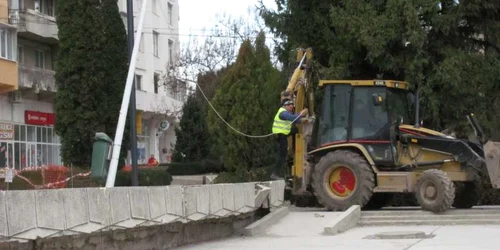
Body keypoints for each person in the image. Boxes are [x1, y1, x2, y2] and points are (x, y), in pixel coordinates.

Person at [271, 99, 308, 180]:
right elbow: (292, 118)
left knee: (295, 130)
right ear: (284, 106)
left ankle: (295, 149)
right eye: (289, 105)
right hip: (281, 135)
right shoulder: (283, 113)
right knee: (282, 155)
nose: (291, 106)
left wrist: (301, 118)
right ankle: (274, 173)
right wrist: (301, 114)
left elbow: (295, 119)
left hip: (284, 132)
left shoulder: (286, 112)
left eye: (292, 104)